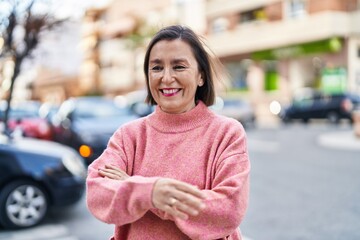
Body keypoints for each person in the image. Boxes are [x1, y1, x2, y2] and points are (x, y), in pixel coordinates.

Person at [86, 25, 250, 240]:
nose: (166, 78)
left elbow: (228, 209)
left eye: (179, 66)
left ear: (201, 76)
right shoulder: (129, 135)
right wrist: (149, 191)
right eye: (156, 68)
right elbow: (97, 192)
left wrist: (138, 188)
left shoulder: (226, 133)